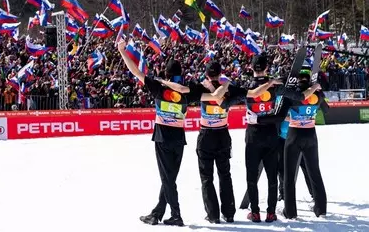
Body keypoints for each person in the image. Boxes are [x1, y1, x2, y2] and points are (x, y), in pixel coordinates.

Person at [117, 40, 229, 226]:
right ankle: (157, 213)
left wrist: (122, 51)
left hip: (162, 138)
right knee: (169, 177)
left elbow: (135, 71)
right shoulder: (189, 90)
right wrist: (224, 84)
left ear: (167, 74)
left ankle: (176, 214)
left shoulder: (159, 86)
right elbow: (217, 97)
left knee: (167, 178)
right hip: (179, 139)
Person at [156, 61, 282, 224]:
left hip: (206, 135)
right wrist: (270, 82)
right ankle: (229, 213)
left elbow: (180, 90)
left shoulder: (200, 86)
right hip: (223, 135)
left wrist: (162, 81)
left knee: (207, 177)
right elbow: (254, 93)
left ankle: (213, 215)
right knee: (225, 175)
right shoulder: (228, 87)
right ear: (220, 73)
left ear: (207, 74)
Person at [241, 54, 320, 223]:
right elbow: (299, 97)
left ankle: (255, 212)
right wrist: (314, 87)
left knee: (252, 175)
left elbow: (227, 101)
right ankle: (271, 212)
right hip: (272, 134)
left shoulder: (246, 86)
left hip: (254, 135)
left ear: (251, 68)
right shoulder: (277, 86)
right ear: (267, 68)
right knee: (273, 175)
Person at [282, 65, 328, 219]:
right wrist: (318, 90)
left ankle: (290, 212)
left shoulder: (293, 93)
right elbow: (326, 110)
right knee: (314, 172)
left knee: (289, 176)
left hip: (294, 134)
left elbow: (281, 112)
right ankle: (321, 209)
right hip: (310, 134)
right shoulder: (316, 92)